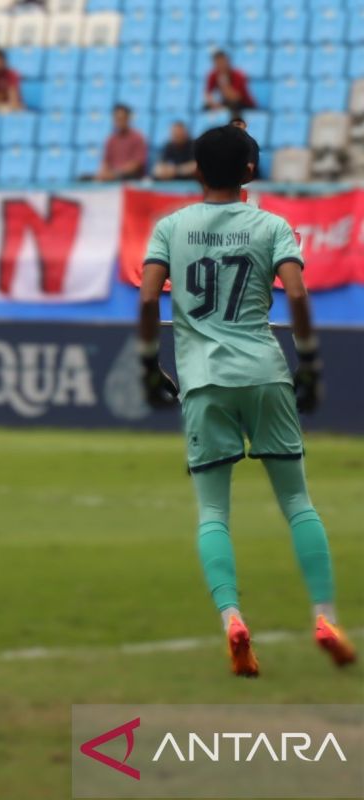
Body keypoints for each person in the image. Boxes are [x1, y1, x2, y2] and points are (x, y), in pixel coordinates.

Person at [137, 125, 355, 677]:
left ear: (195, 171)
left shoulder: (171, 227)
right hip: (264, 372)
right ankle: (326, 617)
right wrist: (310, 360)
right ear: (252, 172)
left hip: (203, 380)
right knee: (298, 502)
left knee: (213, 511)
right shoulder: (273, 225)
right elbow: (298, 292)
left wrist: (147, 362)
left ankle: (233, 619)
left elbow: (146, 298)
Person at [96, 104, 147, 181]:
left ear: (128, 118)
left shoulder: (137, 138)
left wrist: (116, 174)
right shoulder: (111, 140)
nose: (119, 122)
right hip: (112, 178)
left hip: (130, 178)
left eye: (122, 118)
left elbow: (137, 164)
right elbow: (105, 162)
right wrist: (103, 173)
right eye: (117, 119)